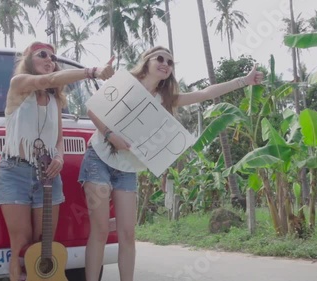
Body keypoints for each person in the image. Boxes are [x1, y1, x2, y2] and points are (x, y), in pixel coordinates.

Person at [78, 46, 264, 281]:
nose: (166, 63)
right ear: (147, 61)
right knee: (101, 230)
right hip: (99, 159)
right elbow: (92, 108)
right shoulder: (125, 81)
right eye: (160, 58)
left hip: (127, 170)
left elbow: (205, 93)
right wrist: (109, 135)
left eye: (170, 62)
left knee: (128, 234)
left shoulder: (165, 99)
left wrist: (244, 81)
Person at [0, 41, 114, 281]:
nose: (50, 59)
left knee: (43, 246)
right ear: (28, 60)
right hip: (14, 171)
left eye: (53, 57)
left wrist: (59, 156)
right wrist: (92, 72)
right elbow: (46, 81)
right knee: (21, 247)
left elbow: (58, 139)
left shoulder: (55, 102)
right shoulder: (18, 85)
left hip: (48, 175)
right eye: (43, 55)